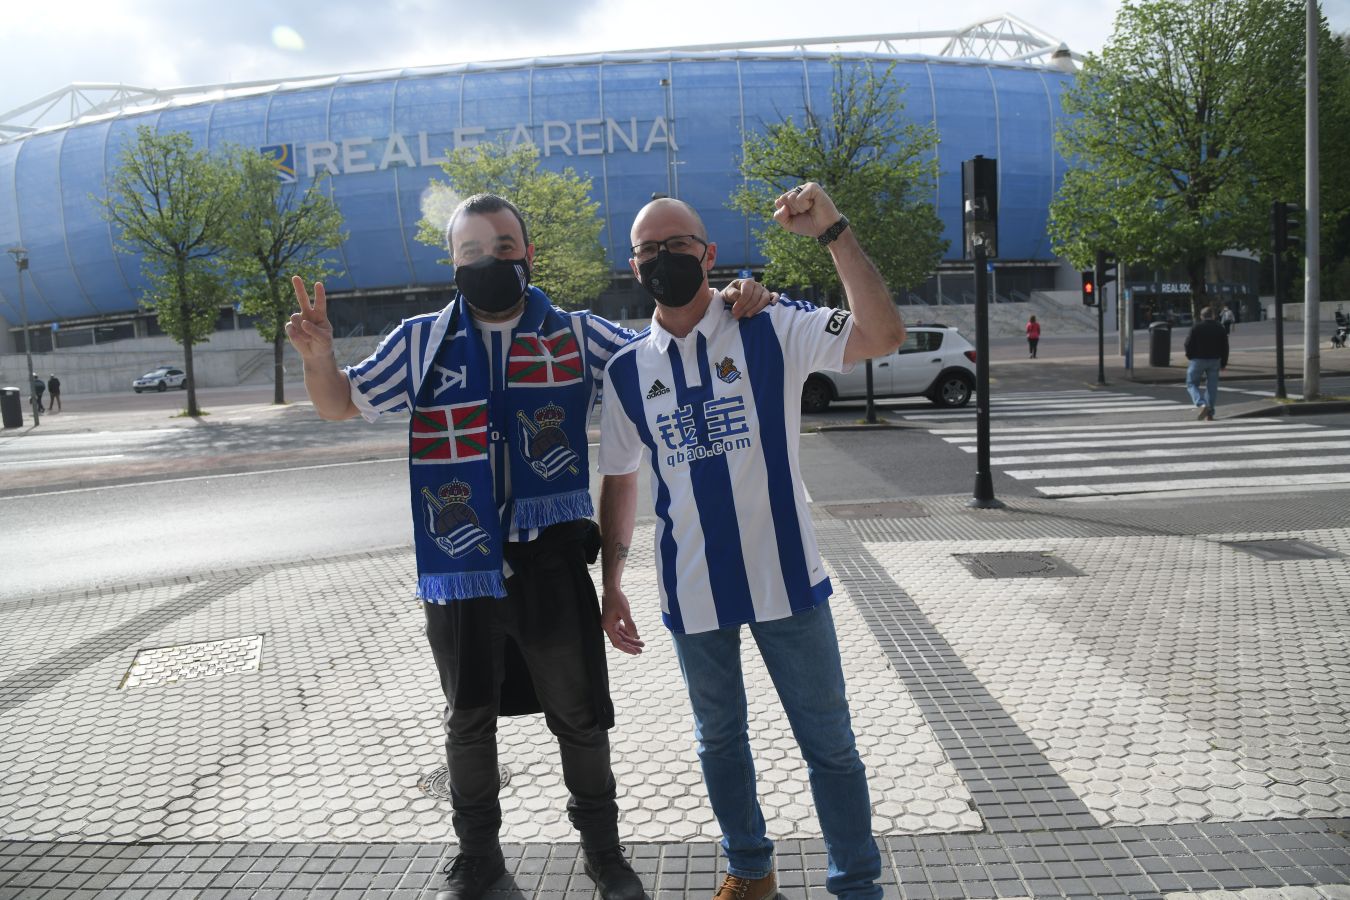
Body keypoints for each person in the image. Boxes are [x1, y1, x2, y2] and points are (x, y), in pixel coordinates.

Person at [286, 193, 775, 900]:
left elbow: (668, 345)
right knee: (467, 717)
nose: (491, 263)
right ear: (453, 265)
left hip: (550, 559)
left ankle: (604, 852)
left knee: (580, 715)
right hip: (461, 567)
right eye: (473, 254)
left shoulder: (578, 336)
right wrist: (319, 357)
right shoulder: (420, 341)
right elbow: (339, 403)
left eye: (505, 250)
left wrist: (731, 299)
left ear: (529, 255)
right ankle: (479, 856)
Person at [597, 183, 904, 900]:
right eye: (649, 249)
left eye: (678, 245)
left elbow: (883, 336)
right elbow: (620, 480)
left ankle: (856, 884)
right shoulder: (624, 373)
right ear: (633, 265)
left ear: (707, 254)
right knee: (720, 744)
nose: (663, 257)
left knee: (830, 745)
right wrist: (610, 584)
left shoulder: (768, 325)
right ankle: (750, 867)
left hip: (788, 580)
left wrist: (834, 231)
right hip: (693, 589)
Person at [1184, 306, 1228, 421]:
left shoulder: (1196, 327)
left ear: (1201, 316)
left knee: (1191, 383)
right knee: (1212, 387)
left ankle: (1201, 404)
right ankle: (1210, 412)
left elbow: (1188, 344)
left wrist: (1190, 356)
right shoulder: (1220, 327)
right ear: (1213, 315)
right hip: (1215, 360)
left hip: (1198, 359)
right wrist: (1223, 363)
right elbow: (1225, 347)